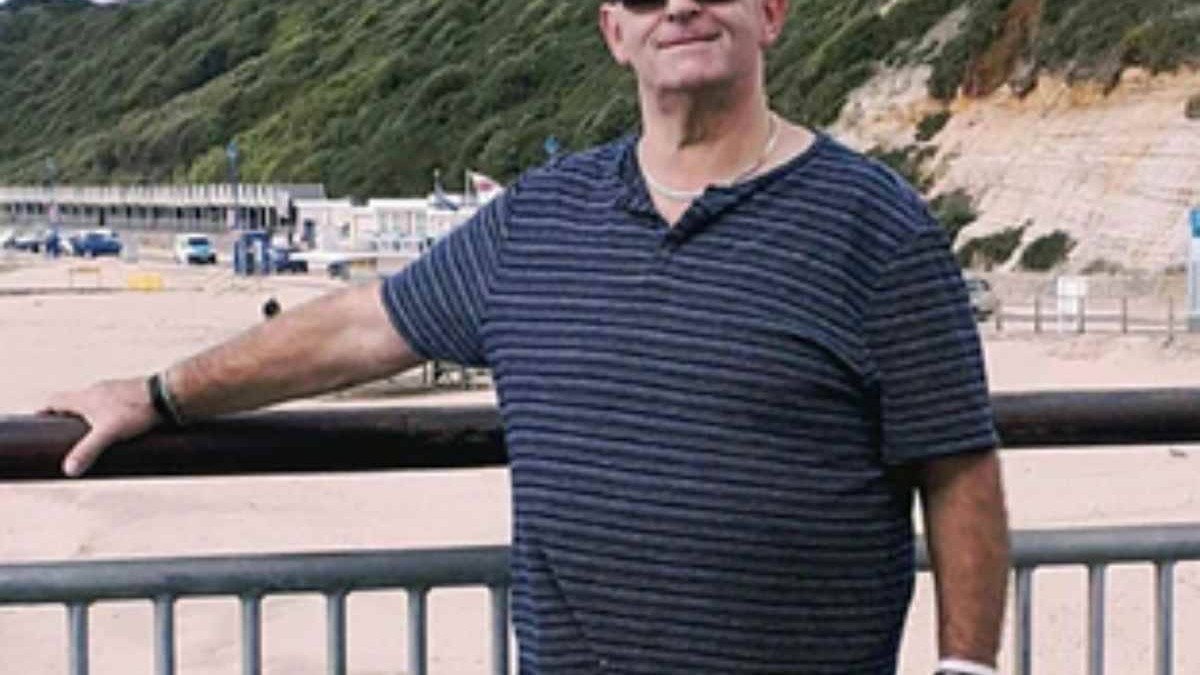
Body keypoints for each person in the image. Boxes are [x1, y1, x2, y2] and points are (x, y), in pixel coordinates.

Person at [41, 1, 1009, 673]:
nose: (679, 6)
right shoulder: (538, 221)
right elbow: (358, 327)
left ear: (772, 12)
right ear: (614, 33)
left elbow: (958, 465)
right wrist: (159, 393)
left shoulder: (876, 226)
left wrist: (964, 669)